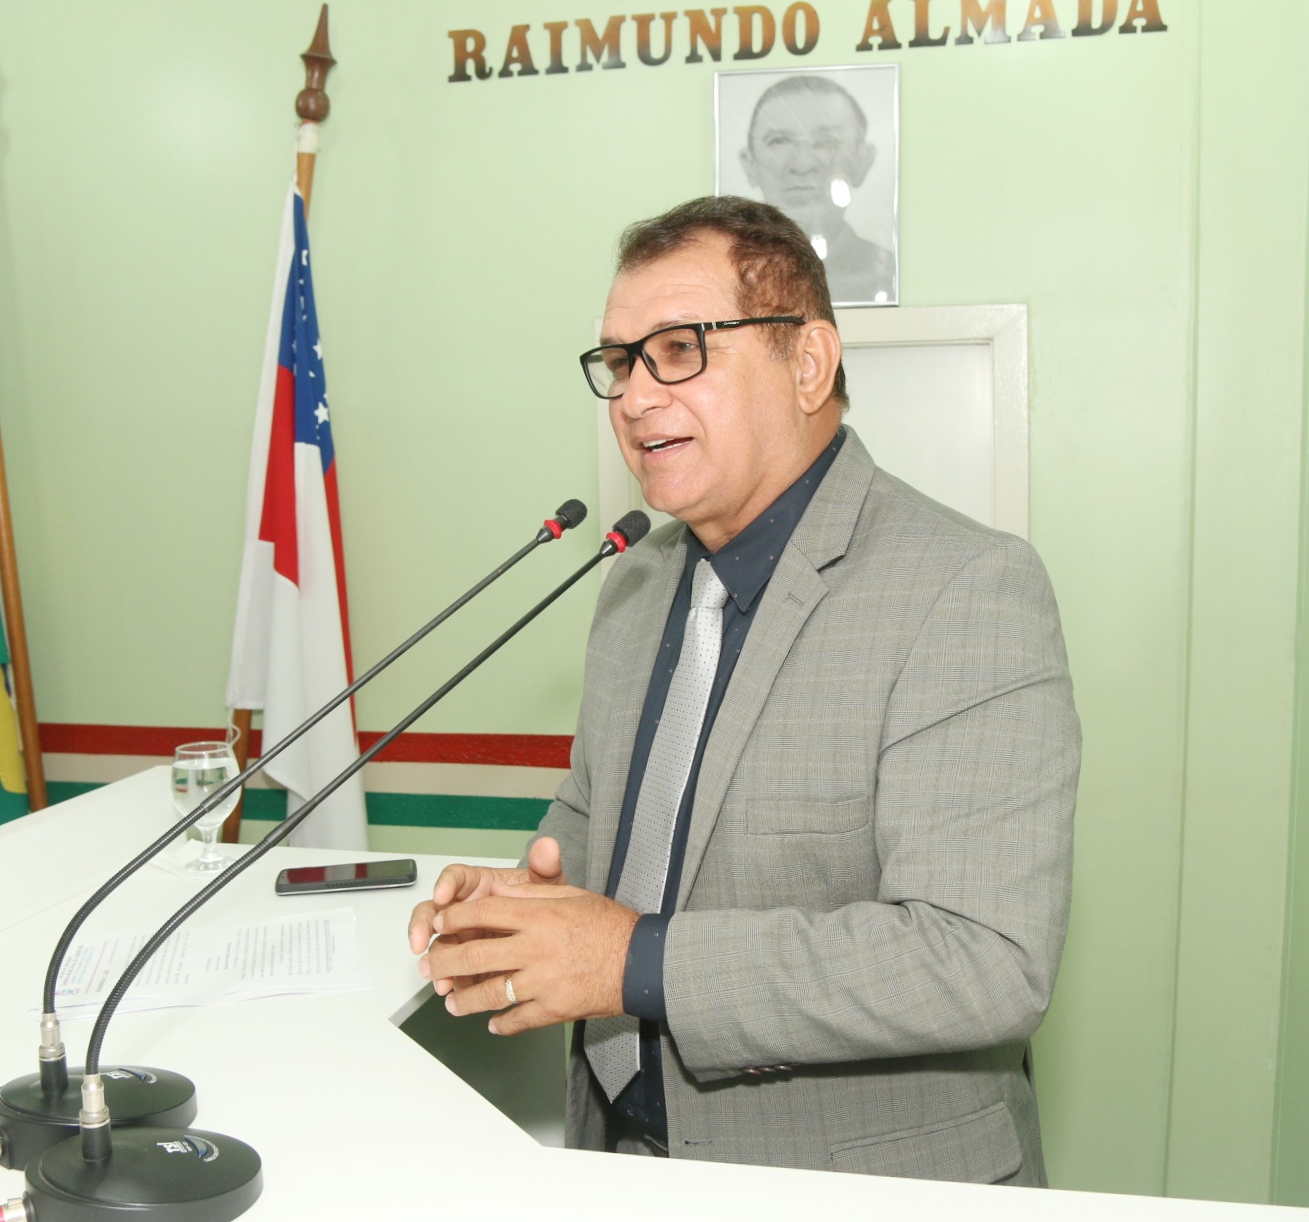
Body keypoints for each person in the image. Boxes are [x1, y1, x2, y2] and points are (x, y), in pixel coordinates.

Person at [407, 196, 1078, 1185]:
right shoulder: (633, 583)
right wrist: (524, 902)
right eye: (618, 361)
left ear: (805, 364)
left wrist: (628, 959)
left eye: (678, 348)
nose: (634, 397)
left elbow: (980, 959)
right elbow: (596, 824)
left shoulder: (964, 588)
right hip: (611, 1153)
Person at [737, 75, 895, 304]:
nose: (803, 165)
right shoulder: (717, 278)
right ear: (750, 164)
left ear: (863, 161)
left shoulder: (887, 272)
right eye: (779, 141)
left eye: (827, 143)